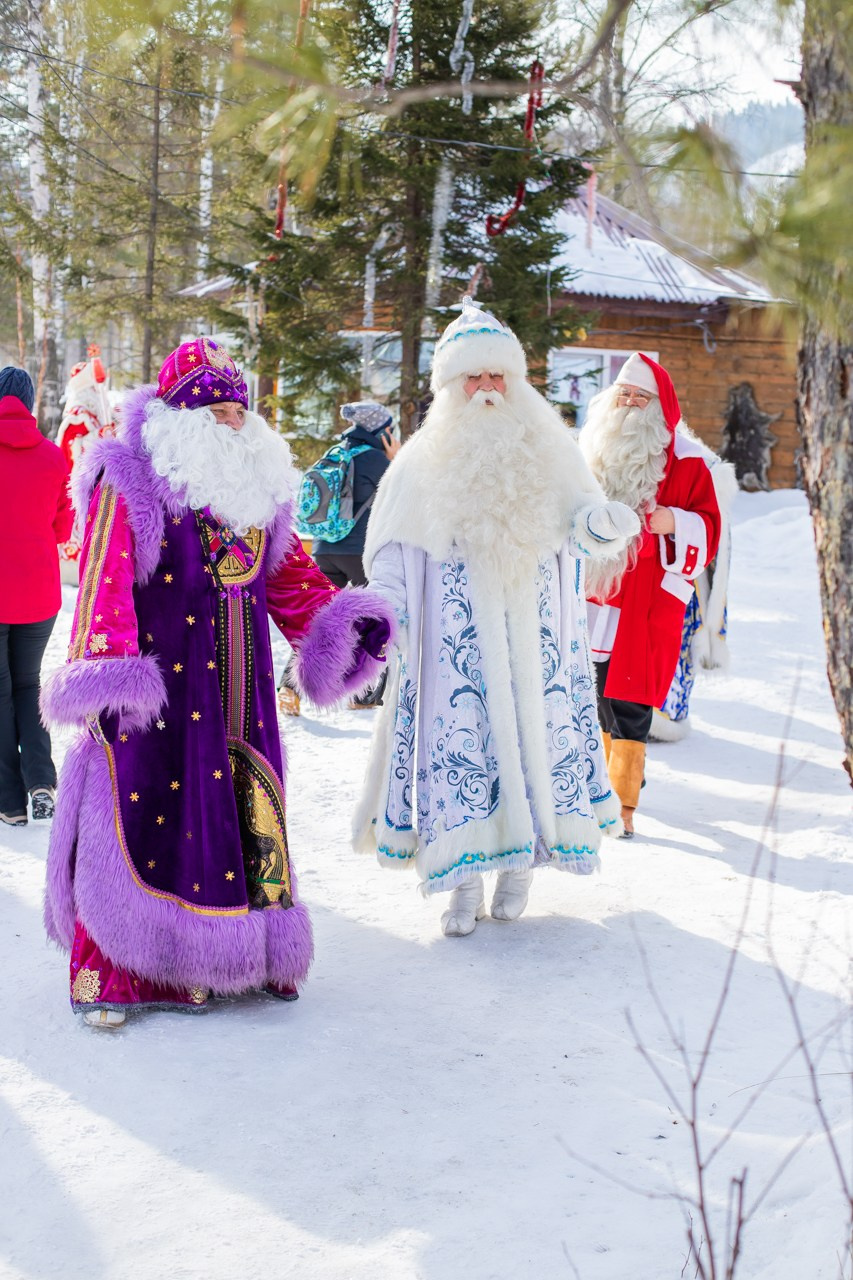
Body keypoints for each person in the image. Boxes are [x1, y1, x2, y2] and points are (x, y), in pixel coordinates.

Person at [41, 337, 393, 1027]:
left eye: (239, 410)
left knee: (242, 814)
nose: (233, 423)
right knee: (143, 822)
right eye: (216, 411)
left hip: (242, 694)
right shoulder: (128, 478)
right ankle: (121, 972)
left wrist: (341, 623)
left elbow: (288, 579)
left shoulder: (259, 493)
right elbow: (102, 582)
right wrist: (109, 673)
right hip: (159, 696)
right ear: (179, 416)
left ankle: (239, 960)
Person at [353, 298, 640, 937]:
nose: (486, 389)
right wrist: (387, 609)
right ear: (452, 387)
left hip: (535, 641)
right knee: (464, 749)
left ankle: (521, 867)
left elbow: (583, 518)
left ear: (514, 379)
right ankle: (464, 879)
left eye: (497, 376)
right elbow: (393, 550)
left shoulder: (550, 446)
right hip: (454, 648)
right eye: (472, 378)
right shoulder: (421, 461)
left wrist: (601, 524)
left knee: (535, 740)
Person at [578, 352, 722, 837]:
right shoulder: (592, 447)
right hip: (595, 593)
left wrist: (674, 522)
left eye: (642, 397)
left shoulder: (685, 460)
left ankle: (623, 803)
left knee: (631, 697)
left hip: (644, 597)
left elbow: (710, 527)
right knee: (593, 690)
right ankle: (592, 791)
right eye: (625, 395)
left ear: (660, 406)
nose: (632, 404)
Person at [280, 400, 400, 716]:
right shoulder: (378, 460)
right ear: (381, 430)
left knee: (315, 623)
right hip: (358, 553)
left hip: (324, 549)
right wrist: (396, 460)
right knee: (376, 621)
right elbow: (403, 495)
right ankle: (365, 693)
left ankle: (289, 688)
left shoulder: (334, 454)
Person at [1, 367, 73, 825]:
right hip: (38, 594)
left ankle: (9, 802)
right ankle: (42, 782)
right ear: (28, 403)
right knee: (28, 685)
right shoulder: (53, 458)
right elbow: (64, 527)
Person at [652, 448, 738, 740]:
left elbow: (718, 540)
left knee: (678, 642)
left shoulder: (700, 461)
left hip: (685, 572)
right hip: (642, 572)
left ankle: (666, 716)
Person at [56, 345, 114, 572]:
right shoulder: (77, 415)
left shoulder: (95, 412)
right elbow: (74, 446)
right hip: (78, 482)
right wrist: (100, 436)